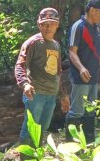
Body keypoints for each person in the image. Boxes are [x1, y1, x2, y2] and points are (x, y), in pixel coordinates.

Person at [14, 7, 70, 146]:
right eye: (44, 24)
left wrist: (62, 95)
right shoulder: (33, 42)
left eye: (51, 23)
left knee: (43, 128)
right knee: (30, 128)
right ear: (39, 25)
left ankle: (37, 159)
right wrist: (25, 84)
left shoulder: (56, 45)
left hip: (51, 94)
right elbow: (20, 65)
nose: (48, 27)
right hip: (36, 93)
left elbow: (57, 72)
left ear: (57, 25)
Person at [65, 0, 100, 143]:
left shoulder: (96, 29)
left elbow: (97, 52)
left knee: (90, 110)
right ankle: (71, 145)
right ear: (92, 10)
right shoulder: (78, 27)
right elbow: (72, 52)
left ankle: (89, 142)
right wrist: (81, 68)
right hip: (81, 78)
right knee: (77, 111)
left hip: (93, 77)